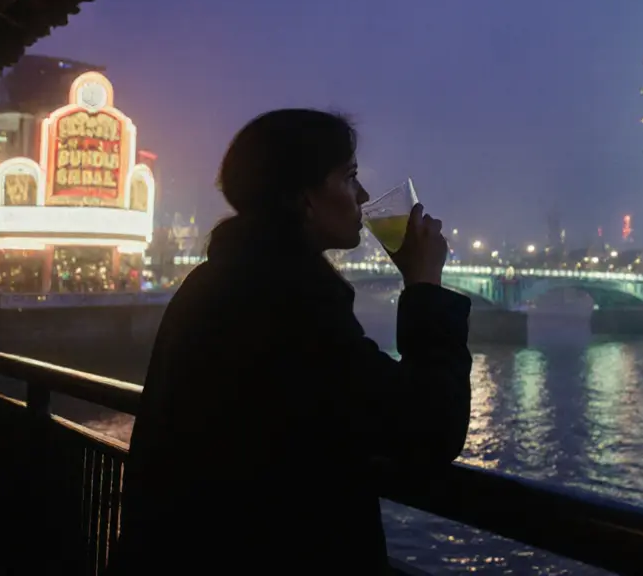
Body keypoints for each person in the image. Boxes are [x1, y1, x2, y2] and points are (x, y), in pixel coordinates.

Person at [108, 109, 472, 575]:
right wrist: (424, 285)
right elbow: (428, 426)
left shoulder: (215, 282)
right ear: (305, 199)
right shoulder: (291, 300)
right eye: (349, 177)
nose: (362, 196)